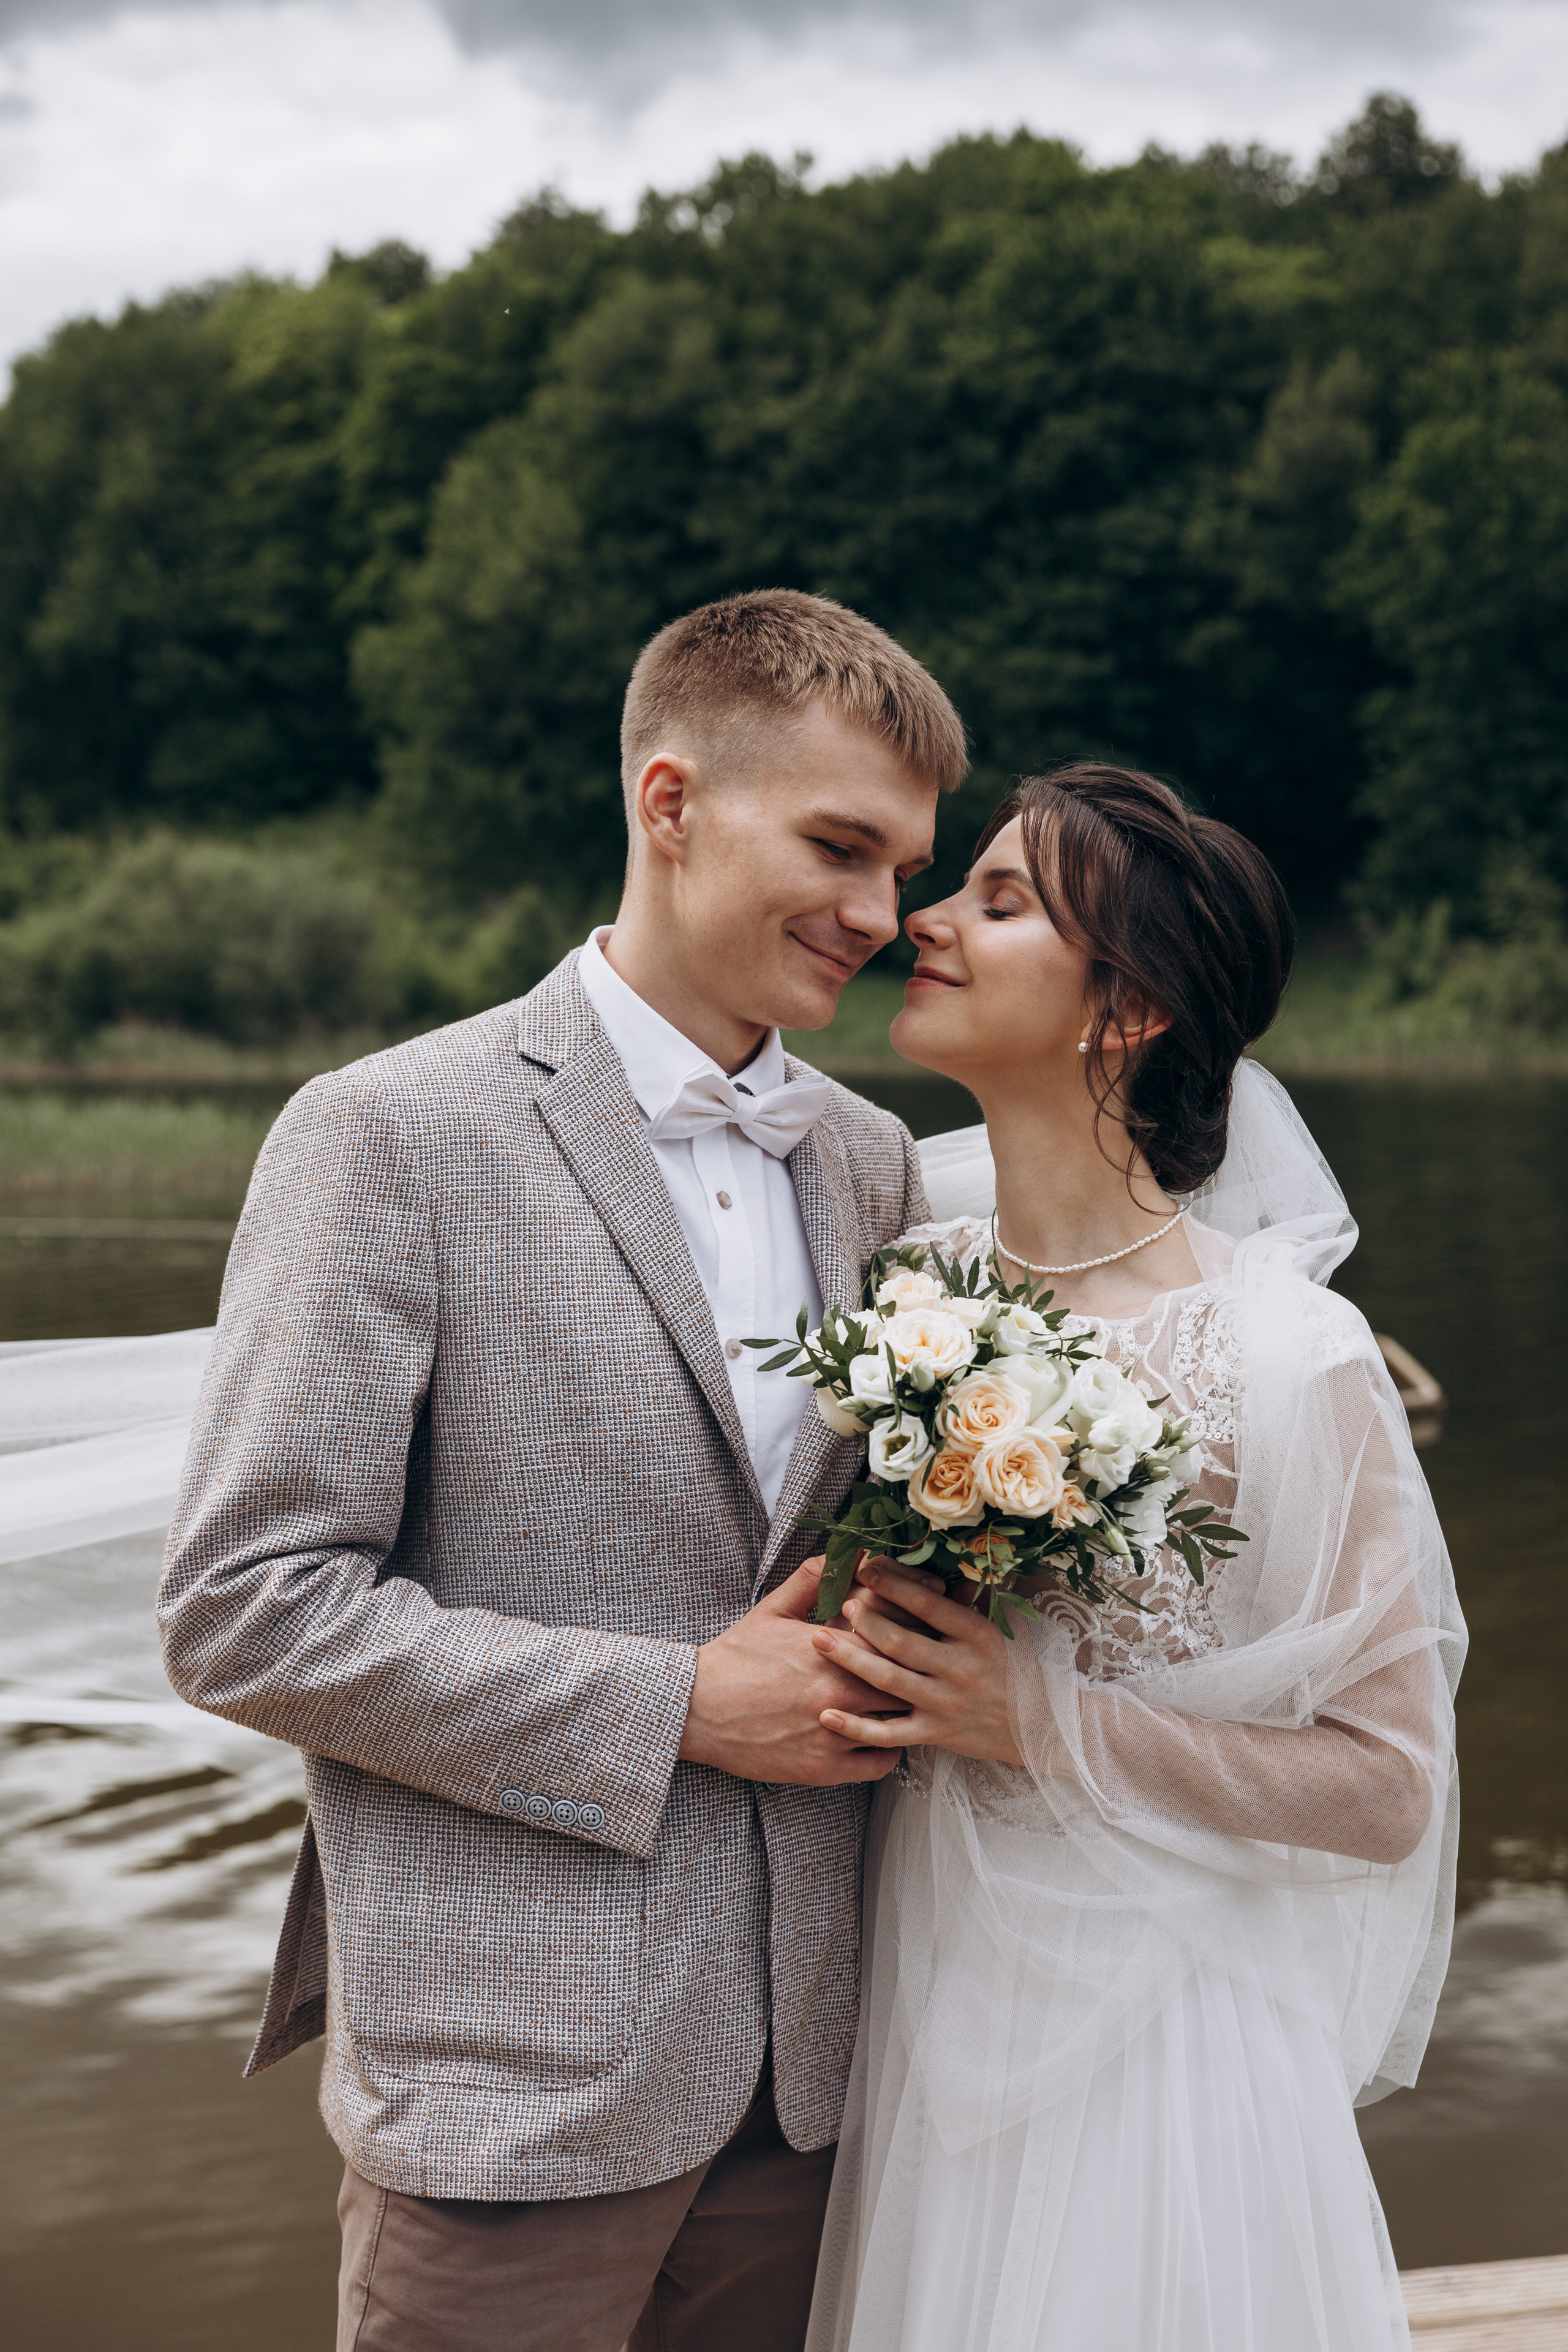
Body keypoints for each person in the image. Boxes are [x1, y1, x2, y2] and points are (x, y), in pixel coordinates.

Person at [156, 589, 968, 2352]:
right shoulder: (388, 1133)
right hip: (509, 2093)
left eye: (904, 870)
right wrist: (678, 1701)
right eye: (839, 847)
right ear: (669, 805)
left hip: (813, 2084)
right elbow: (242, 1612)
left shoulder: (877, 1166)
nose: (878, 917)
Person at [801, 763, 1465, 2352]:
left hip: (1165, 2038)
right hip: (936, 1989)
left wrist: (1042, 1724)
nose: (929, 919)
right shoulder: (905, 1289)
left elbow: (1386, 1788)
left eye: (1003, 902)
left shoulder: (1290, 1356)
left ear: (1127, 1012)